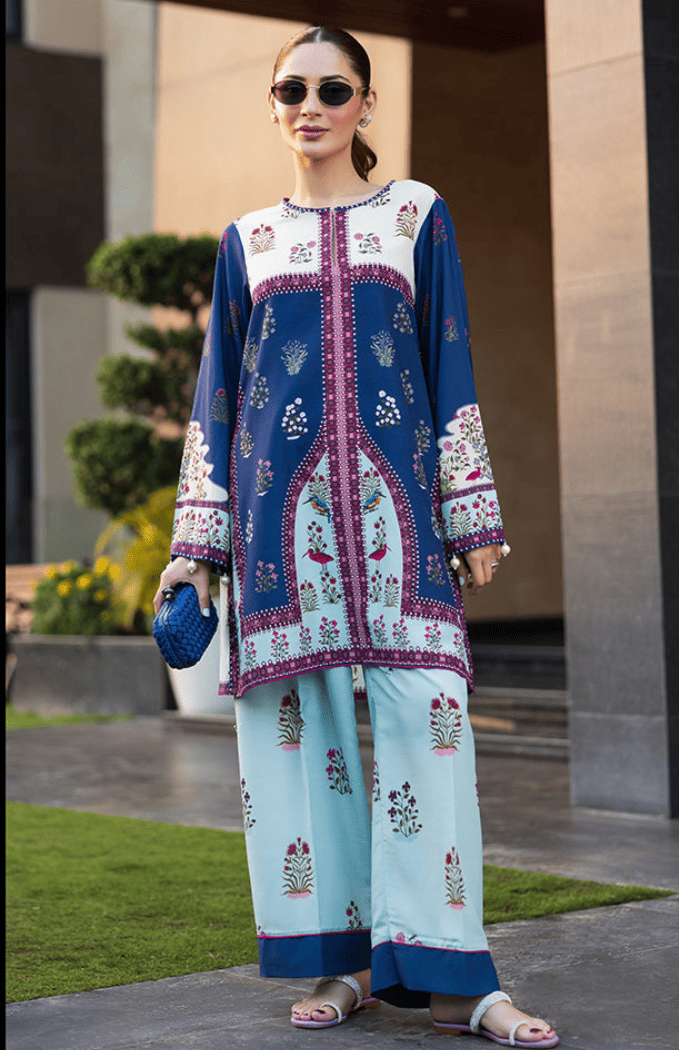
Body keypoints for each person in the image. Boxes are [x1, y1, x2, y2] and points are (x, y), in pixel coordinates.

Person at [154, 25, 558, 1048]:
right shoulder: (248, 241)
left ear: (365, 105)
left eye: (334, 88)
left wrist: (469, 504)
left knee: (431, 731)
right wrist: (195, 546)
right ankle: (341, 970)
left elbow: (447, 360)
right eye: (292, 87)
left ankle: (464, 981)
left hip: (401, 531)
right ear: (275, 101)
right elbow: (218, 399)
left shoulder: (416, 216)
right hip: (277, 539)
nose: (311, 104)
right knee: (302, 754)